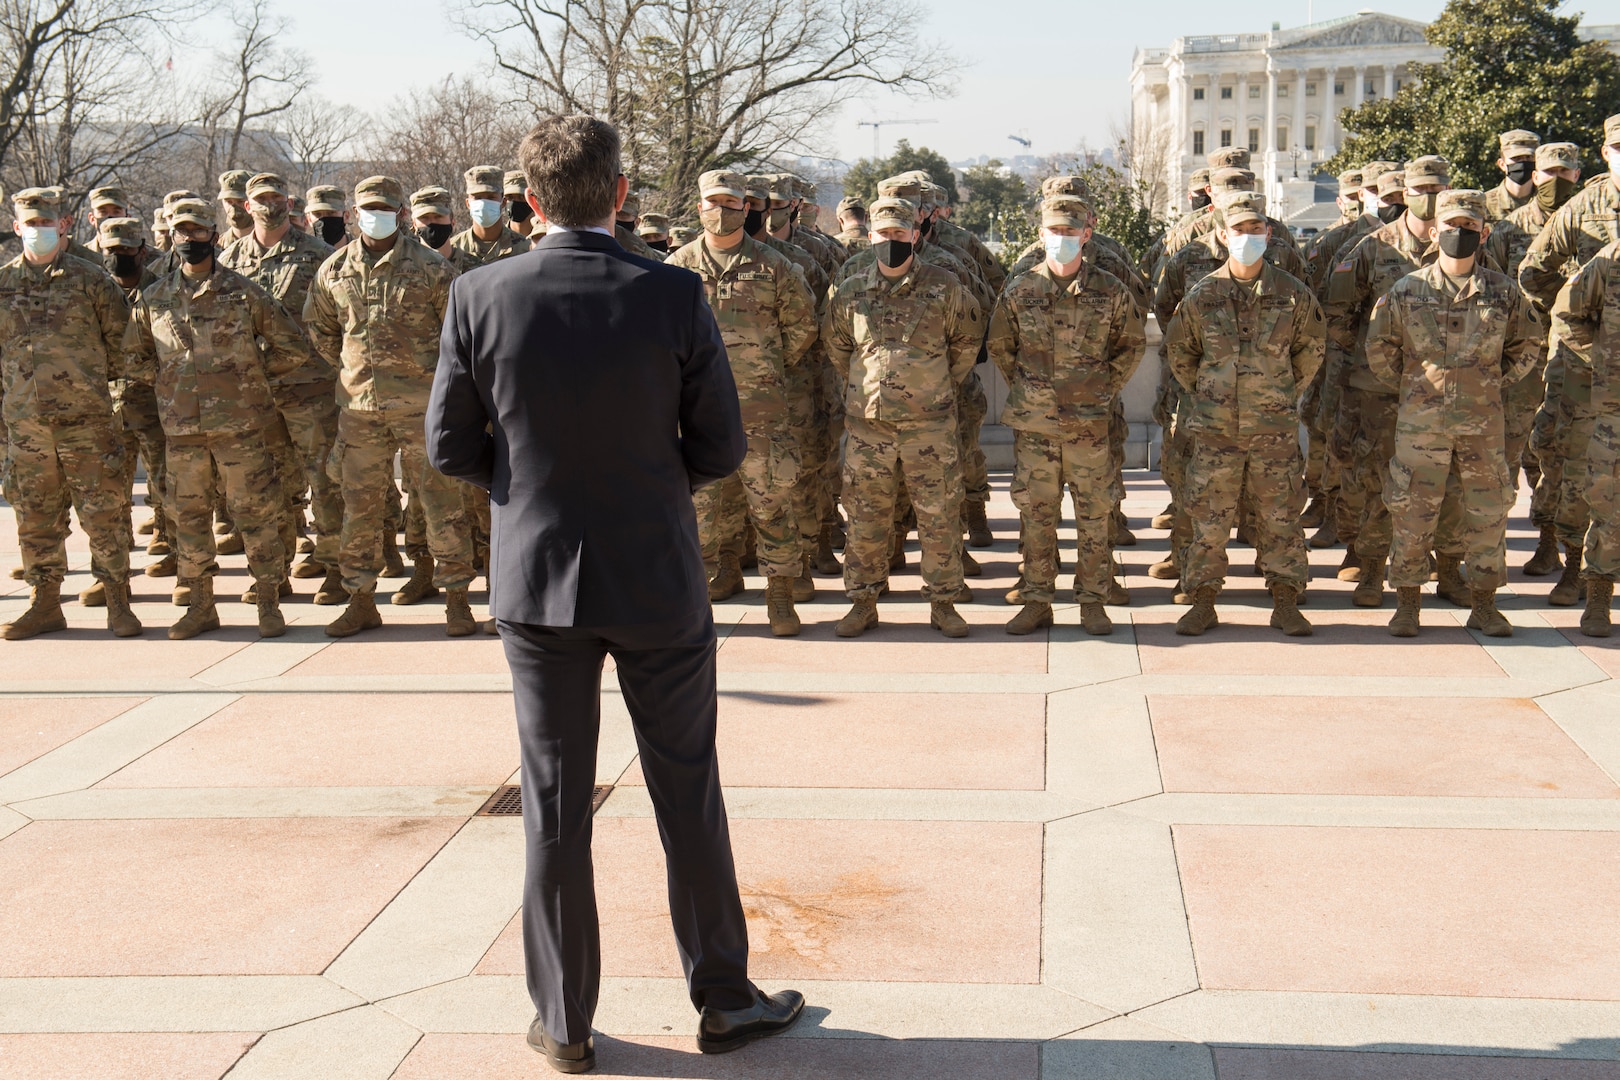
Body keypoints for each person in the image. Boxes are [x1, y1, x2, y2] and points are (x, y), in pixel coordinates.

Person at [426, 114, 802, 1072]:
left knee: (554, 806)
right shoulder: (674, 293)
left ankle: (565, 1022)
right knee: (689, 794)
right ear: (621, 194)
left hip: (538, 580)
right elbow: (720, 447)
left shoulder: (480, 292)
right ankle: (722, 998)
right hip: (656, 577)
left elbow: (447, 447)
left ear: (531, 199)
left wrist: (530, 491)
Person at [125, 198, 311, 639]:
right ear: (171, 238)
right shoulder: (154, 298)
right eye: (181, 232)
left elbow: (292, 347)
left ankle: (268, 601)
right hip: (183, 433)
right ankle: (201, 604)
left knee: (257, 514)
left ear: (213, 231)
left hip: (240, 428)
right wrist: (170, 386)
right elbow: (133, 357)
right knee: (188, 518)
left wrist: (251, 380)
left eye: (197, 231)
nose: (190, 239)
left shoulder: (244, 292)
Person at [304, 175, 478, 638]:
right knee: (359, 507)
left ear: (401, 213)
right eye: (367, 207)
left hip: (422, 410)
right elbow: (321, 331)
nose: (376, 215)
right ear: (353, 214)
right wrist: (354, 372)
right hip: (359, 413)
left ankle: (457, 599)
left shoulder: (432, 270)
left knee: (442, 504)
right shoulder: (334, 270)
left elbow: (457, 337)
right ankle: (361, 599)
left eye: (385, 207)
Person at [1366, 190, 1540, 637]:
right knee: (1412, 513)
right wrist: (1414, 388)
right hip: (1422, 427)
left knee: (1487, 513)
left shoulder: (1504, 293)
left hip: (1483, 427)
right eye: (1450, 226)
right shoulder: (1408, 290)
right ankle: (1408, 604)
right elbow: (1380, 348)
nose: (1457, 234)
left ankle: (1484, 604)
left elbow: (1528, 345)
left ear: (1483, 233)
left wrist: (1489, 383)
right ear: (1435, 230)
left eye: (1467, 228)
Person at [1163, 191, 1325, 638]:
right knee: (1209, 519)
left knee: (1281, 516)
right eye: (1239, 230)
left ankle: (1286, 600)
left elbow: (1310, 351)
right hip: (1216, 431)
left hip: (1273, 430)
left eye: (1256, 229)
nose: (1248, 237)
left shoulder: (1293, 296)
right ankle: (1203, 601)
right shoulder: (1203, 295)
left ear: (1269, 234)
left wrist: (1279, 392)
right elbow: (1181, 353)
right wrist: (1211, 393)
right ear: (1222, 235)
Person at [664, 169, 818, 635]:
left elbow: (802, 328)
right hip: (697, 415)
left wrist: (761, 370)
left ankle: (780, 595)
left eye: (731, 203)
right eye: (713, 201)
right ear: (698, 208)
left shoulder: (776, 267)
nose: (722, 210)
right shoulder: (675, 270)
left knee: (771, 505)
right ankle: (707, 588)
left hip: (762, 411)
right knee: (702, 512)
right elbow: (660, 339)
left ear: (746, 208)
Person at [822, 195, 980, 638]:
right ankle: (863, 601)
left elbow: (966, 345)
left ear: (915, 234)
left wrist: (930, 387)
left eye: (899, 233)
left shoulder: (945, 286)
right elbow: (837, 347)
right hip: (868, 428)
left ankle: (944, 602)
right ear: (870, 235)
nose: (891, 240)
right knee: (866, 516)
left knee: (939, 515)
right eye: (883, 233)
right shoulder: (851, 289)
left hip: (928, 427)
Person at [988, 194, 1144, 636]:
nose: (1061, 239)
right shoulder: (1019, 291)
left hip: (1090, 427)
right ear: (1042, 235)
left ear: (1086, 235)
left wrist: (1101, 388)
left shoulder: (1110, 291)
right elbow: (1002, 346)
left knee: (1095, 516)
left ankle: (1092, 601)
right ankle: (1038, 599)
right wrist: (1032, 389)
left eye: (1070, 233)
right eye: (1054, 232)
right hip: (1036, 427)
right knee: (1037, 515)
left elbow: (1131, 345)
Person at [0, 186, 140, 640]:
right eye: (30, 223)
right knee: (35, 516)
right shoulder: (3, 284)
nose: (38, 231)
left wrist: (97, 398)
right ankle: (45, 604)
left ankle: (118, 600)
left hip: (87, 424)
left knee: (104, 512)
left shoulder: (91, 279)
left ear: (64, 225)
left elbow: (124, 348)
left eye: (47, 223)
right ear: (17, 227)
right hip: (27, 428)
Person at [219, 172, 341, 597]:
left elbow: (336, 320)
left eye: (276, 197)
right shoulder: (230, 261)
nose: (269, 205)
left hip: (310, 389)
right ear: (246, 206)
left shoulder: (319, 256)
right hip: (257, 394)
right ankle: (275, 574)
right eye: (260, 199)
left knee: (325, 481)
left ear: (289, 203)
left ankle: (335, 568)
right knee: (270, 485)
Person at [1552, 235, 1620, 636]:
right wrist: (1602, 361)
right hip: (1614, 407)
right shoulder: (1610, 260)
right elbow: (1566, 314)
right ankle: (1598, 597)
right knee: (1608, 505)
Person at [1485, 129, 1540, 222]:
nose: (1523, 163)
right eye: (1516, 158)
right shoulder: (1484, 204)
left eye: (1529, 157)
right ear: (1502, 164)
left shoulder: (1547, 203)